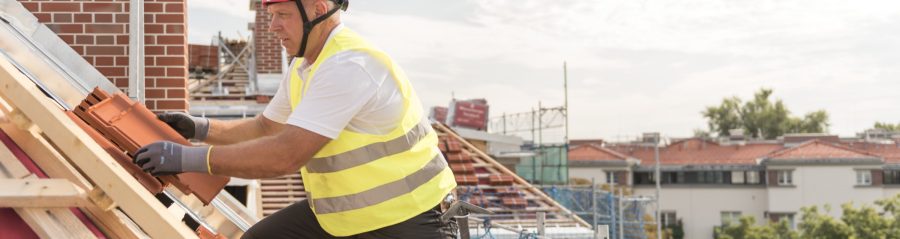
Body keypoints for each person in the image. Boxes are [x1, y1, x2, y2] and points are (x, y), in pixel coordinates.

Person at [133, 0, 457, 238]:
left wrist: (186, 158)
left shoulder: (348, 65)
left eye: (283, 15)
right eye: (271, 15)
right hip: (345, 217)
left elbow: (285, 155)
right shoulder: (304, 66)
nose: (273, 26)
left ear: (318, 11)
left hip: (409, 219)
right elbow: (265, 127)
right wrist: (199, 128)